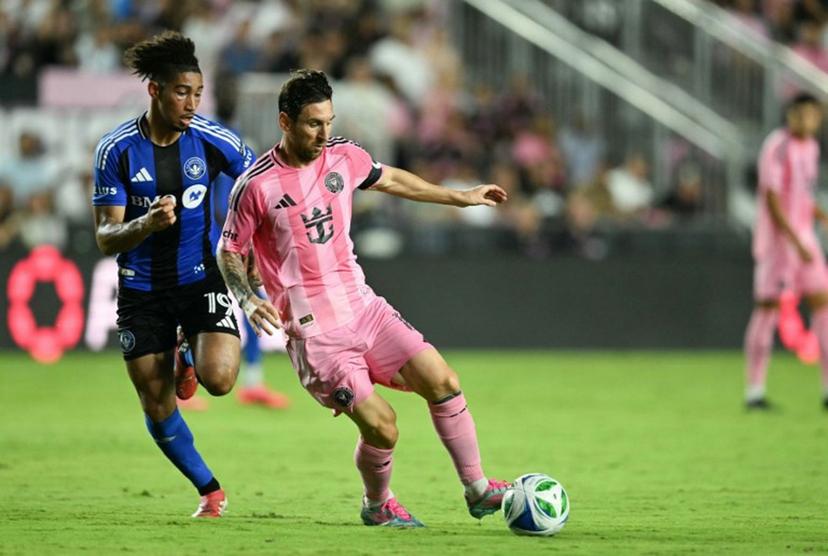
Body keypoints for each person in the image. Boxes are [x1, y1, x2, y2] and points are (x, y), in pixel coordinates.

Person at [217, 69, 510, 527]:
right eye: (313, 123)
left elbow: (390, 178)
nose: (324, 132)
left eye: (329, 121)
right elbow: (228, 249)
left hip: (364, 307)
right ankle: (377, 505)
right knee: (384, 426)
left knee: (444, 381)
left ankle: (477, 489)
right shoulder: (256, 185)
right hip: (316, 334)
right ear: (285, 122)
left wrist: (458, 198)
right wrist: (248, 298)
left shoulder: (344, 158)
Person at [91, 31, 256, 517]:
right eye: (182, 92)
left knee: (221, 379)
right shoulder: (116, 150)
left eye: (198, 92)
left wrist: (249, 250)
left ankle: (188, 350)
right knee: (157, 404)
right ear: (155, 90)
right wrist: (144, 223)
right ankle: (209, 490)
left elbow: (257, 190)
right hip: (141, 289)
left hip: (200, 276)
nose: (192, 102)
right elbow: (105, 236)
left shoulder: (214, 139)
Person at [744, 92, 828, 410]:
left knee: (823, 307)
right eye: (799, 114)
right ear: (789, 116)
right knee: (767, 310)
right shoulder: (777, 146)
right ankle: (754, 391)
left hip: (804, 238)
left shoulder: (812, 148)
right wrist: (795, 243)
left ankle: (827, 391)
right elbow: (773, 200)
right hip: (778, 244)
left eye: (811, 115)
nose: (805, 120)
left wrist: (819, 216)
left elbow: (802, 195)